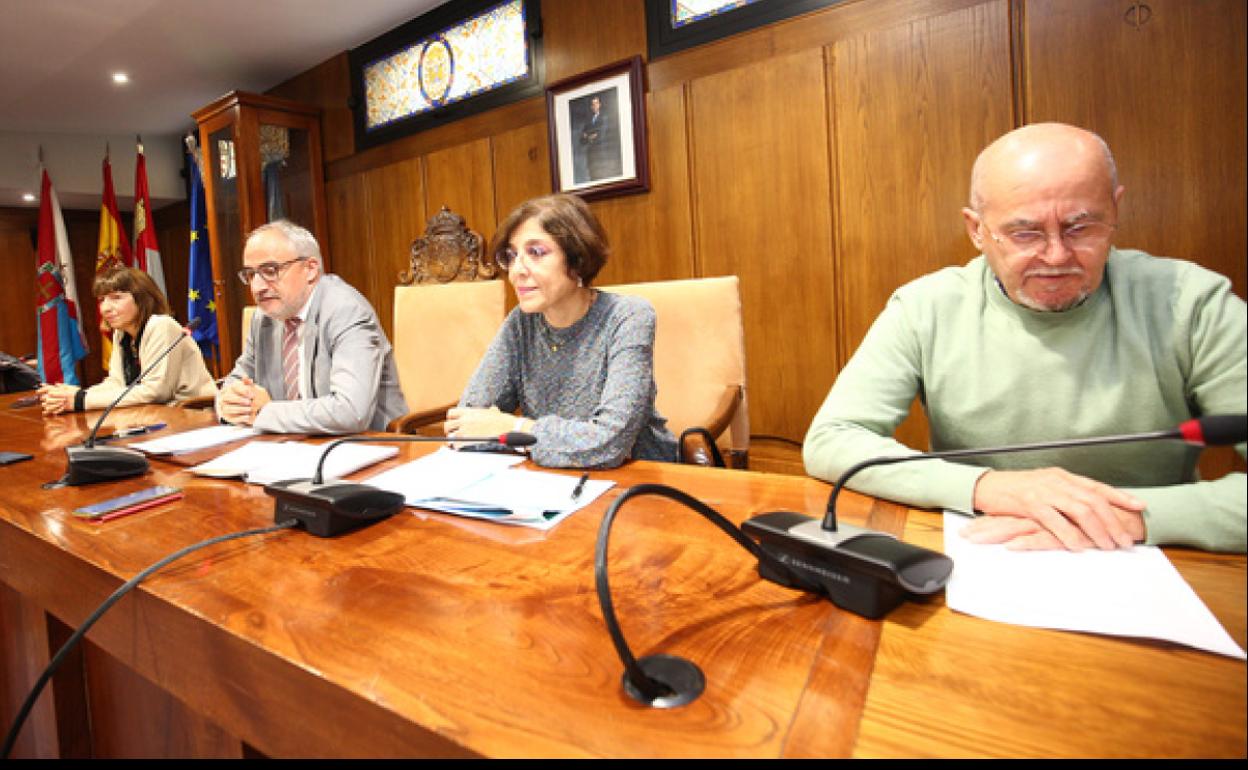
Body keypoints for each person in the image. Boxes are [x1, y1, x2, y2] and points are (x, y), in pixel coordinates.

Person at [803, 122, 1246, 553]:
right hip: (989, 550)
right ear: (976, 229)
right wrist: (986, 487)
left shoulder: (1193, 304)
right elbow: (833, 439)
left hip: (1154, 556)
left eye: (1081, 227)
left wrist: (1124, 518)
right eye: (1024, 232)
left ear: (1116, 209)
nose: (1055, 256)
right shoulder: (924, 308)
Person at [446, 194, 678, 468]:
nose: (517, 271)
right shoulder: (520, 323)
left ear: (577, 259)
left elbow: (610, 443)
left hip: (641, 477)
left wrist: (517, 428)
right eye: (512, 255)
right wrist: (512, 433)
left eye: (536, 252)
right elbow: (465, 426)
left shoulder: (628, 316)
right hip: (553, 480)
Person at [216, 220, 407, 434]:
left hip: (369, 448)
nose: (257, 287)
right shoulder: (264, 318)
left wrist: (264, 412)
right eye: (251, 274)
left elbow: (351, 412)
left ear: (310, 269)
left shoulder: (346, 310)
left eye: (270, 271)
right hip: (293, 445)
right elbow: (236, 381)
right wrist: (228, 403)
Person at [38, 267, 216, 414]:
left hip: (192, 415)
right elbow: (117, 383)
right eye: (102, 300)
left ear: (142, 299)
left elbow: (156, 392)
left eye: (116, 298)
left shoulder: (161, 325)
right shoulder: (121, 333)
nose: (106, 308)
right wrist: (74, 395)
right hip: (153, 416)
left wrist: (80, 400)